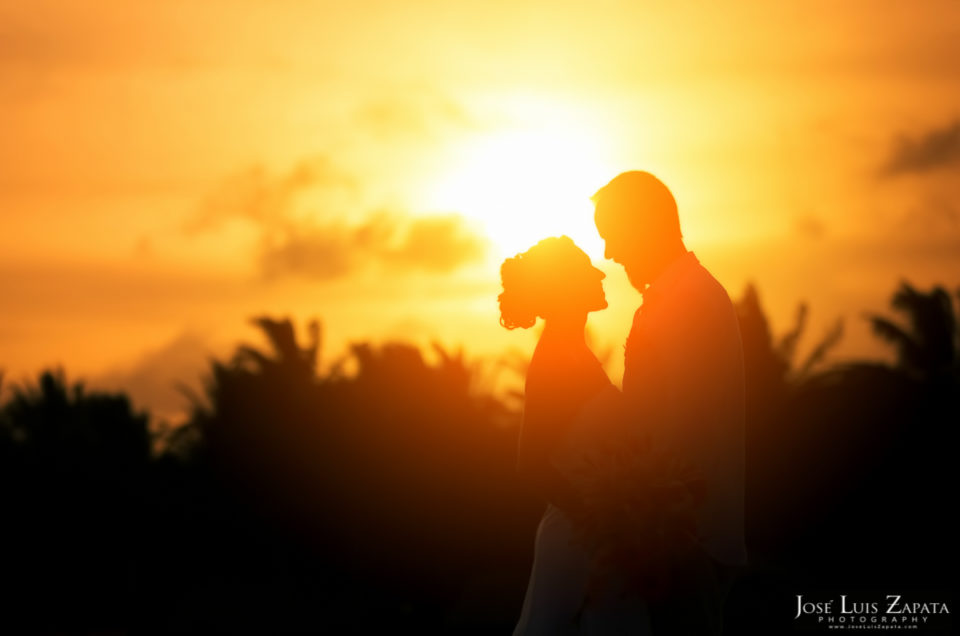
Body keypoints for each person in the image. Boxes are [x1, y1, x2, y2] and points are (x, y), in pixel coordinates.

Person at [592, 171, 748, 634]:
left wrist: (647, 534)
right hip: (676, 536)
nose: (609, 253)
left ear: (645, 227)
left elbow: (679, 431)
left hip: (684, 540)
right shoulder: (676, 298)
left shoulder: (691, 301)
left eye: (613, 235)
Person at [499, 236, 632, 636]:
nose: (600, 273)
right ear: (567, 287)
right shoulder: (556, 358)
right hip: (574, 536)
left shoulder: (574, 351)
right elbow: (530, 464)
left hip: (592, 533)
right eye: (587, 270)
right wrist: (596, 517)